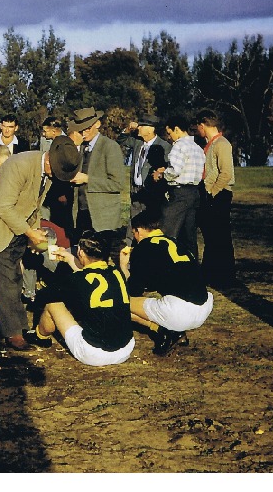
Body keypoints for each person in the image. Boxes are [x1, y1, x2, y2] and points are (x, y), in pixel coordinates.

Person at [0, 138, 81, 350]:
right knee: (6, 281)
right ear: (49, 160)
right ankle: (12, 334)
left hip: (17, 226)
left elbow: (33, 204)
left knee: (14, 276)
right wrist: (30, 233)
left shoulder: (46, 172)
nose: (57, 177)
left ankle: (16, 327)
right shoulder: (19, 165)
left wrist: (36, 227)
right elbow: (4, 208)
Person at [30, 230, 135, 366]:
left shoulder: (76, 279)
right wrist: (69, 259)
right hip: (126, 349)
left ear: (80, 252)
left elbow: (44, 297)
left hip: (95, 354)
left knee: (53, 305)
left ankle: (40, 336)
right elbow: (91, 276)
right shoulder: (116, 272)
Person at [119, 211, 214, 356]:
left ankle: (163, 331)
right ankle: (176, 331)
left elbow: (133, 291)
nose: (135, 238)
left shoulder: (143, 247)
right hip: (204, 306)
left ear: (138, 230)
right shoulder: (176, 241)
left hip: (180, 312)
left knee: (119, 302)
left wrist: (124, 267)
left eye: (134, 234)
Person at [152, 115, 206, 259]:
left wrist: (161, 175)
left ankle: (165, 268)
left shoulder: (179, 146)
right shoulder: (197, 148)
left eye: (169, 133)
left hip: (179, 194)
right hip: (194, 194)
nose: (169, 137)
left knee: (166, 233)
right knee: (189, 238)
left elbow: (175, 171)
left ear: (176, 129)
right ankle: (193, 272)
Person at [69, 107, 126, 237]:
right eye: (80, 129)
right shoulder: (80, 147)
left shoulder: (110, 147)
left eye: (87, 128)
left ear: (98, 125)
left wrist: (87, 179)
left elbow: (118, 184)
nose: (84, 133)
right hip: (82, 213)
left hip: (102, 218)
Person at [116, 114, 172, 245]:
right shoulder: (137, 141)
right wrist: (127, 130)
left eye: (142, 125)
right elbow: (121, 140)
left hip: (151, 192)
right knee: (133, 223)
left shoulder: (164, 146)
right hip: (135, 190)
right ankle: (130, 253)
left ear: (151, 129)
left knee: (150, 225)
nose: (138, 127)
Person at [196, 109, 236, 286]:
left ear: (203, 125)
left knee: (221, 237)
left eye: (198, 126)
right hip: (210, 195)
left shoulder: (222, 144)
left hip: (219, 195)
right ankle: (212, 274)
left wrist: (213, 192)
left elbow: (226, 173)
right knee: (212, 237)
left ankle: (225, 276)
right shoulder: (209, 144)